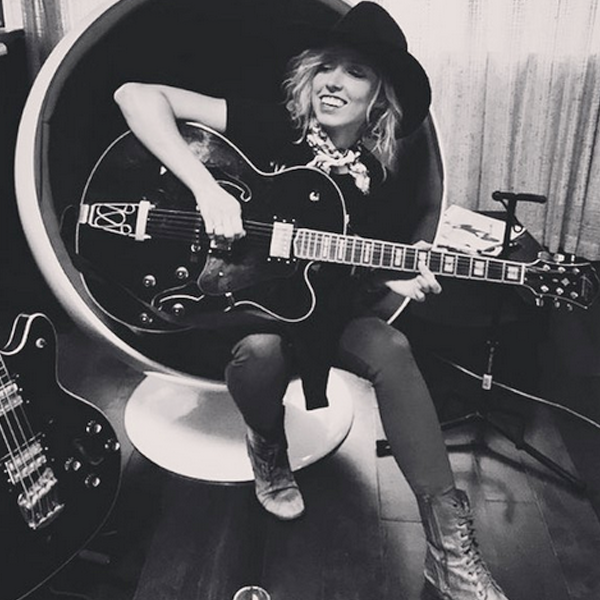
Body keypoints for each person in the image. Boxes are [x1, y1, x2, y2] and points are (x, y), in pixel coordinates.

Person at [114, 3, 509, 599]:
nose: (334, 81)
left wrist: (389, 278)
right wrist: (205, 188)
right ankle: (267, 446)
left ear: (379, 96)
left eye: (355, 73)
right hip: (240, 304)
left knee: (393, 347)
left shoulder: (378, 171)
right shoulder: (271, 125)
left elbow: (343, 266)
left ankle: (450, 555)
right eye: (328, 66)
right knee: (260, 352)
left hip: (324, 313)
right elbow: (133, 95)